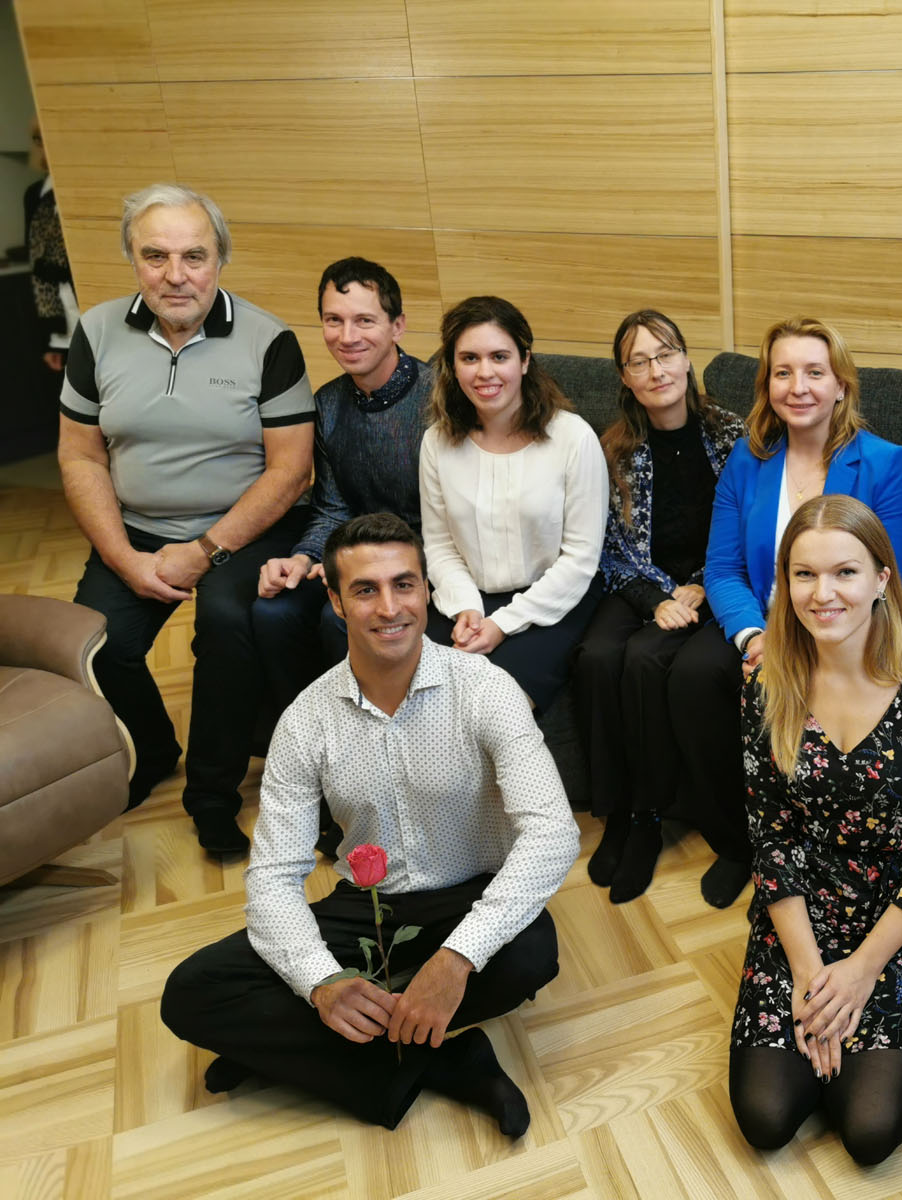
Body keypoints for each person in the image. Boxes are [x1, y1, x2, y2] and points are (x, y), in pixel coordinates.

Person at [161, 513, 580, 1135]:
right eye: (365, 590)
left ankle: (292, 1051)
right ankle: (452, 1059)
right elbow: (275, 876)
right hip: (368, 902)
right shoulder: (305, 721)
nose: (390, 608)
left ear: (427, 591)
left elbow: (553, 832)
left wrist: (456, 959)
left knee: (530, 953)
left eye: (404, 585)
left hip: (467, 896)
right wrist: (322, 983)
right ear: (333, 601)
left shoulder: (486, 690)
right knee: (191, 993)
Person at [57, 182, 314, 856]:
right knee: (99, 648)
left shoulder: (270, 340)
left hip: (243, 529)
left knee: (226, 627)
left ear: (220, 260)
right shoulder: (96, 331)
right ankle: (155, 748)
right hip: (134, 527)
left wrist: (203, 550)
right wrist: (123, 557)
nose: (176, 275)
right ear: (133, 262)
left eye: (194, 256)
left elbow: (290, 471)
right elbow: (80, 455)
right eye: (156, 256)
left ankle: (211, 798)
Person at [729, 495, 902, 1166]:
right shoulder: (766, 688)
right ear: (783, 584)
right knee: (765, 1118)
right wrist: (811, 979)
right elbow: (772, 840)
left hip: (898, 922)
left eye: (844, 573)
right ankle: (818, 1042)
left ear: (881, 581)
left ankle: (854, 1049)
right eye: (803, 575)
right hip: (801, 914)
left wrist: (862, 973)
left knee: (868, 1130)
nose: (822, 593)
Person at [689, 315, 902, 908]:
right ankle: (738, 843)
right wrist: (753, 636)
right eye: (782, 373)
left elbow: (889, 580)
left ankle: (821, 847)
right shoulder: (748, 459)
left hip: (845, 626)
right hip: (764, 623)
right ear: (767, 386)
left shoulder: (884, 462)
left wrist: (813, 639)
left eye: (815, 372)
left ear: (841, 384)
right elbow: (721, 569)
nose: (799, 387)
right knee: (695, 676)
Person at [571, 310, 745, 903]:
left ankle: (650, 815)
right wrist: (655, 599)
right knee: (595, 656)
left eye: (665, 353)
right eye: (639, 361)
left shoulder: (734, 435)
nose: (656, 369)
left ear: (687, 359)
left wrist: (696, 587)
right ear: (625, 377)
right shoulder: (612, 448)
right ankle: (619, 814)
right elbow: (604, 550)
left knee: (646, 658)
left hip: (713, 581)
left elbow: (745, 531)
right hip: (637, 580)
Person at [253, 257, 433, 718]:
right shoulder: (327, 404)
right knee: (273, 612)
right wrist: (303, 556)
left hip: (428, 557)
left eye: (364, 321)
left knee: (339, 621)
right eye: (334, 320)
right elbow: (331, 507)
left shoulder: (440, 398)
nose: (347, 336)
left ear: (398, 326)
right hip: (355, 556)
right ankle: (305, 739)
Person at [420, 295, 606, 709]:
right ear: (453, 366)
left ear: (524, 360)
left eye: (499, 356)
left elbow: (580, 558)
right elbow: (439, 545)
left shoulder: (573, 438)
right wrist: (467, 608)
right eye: (469, 358)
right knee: (422, 699)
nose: (485, 372)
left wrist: (501, 624)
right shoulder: (436, 442)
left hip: (556, 599)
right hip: (464, 598)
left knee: (496, 706)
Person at [25, 118, 77, 372]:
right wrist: (49, 341)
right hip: (58, 320)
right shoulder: (34, 195)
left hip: (89, 305)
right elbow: (35, 266)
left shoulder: (81, 188)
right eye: (38, 140)